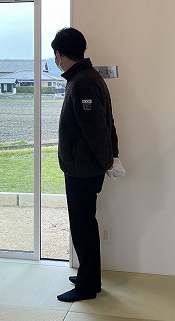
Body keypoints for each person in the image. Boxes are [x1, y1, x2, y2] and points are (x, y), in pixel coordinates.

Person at [51, 27, 124, 302]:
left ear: (60, 54)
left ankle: (87, 285)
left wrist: (109, 162)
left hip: (83, 169)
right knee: (84, 225)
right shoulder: (87, 77)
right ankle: (88, 277)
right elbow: (107, 123)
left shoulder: (82, 82)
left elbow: (97, 130)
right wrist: (111, 158)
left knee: (83, 227)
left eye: (55, 54)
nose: (56, 60)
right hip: (84, 167)